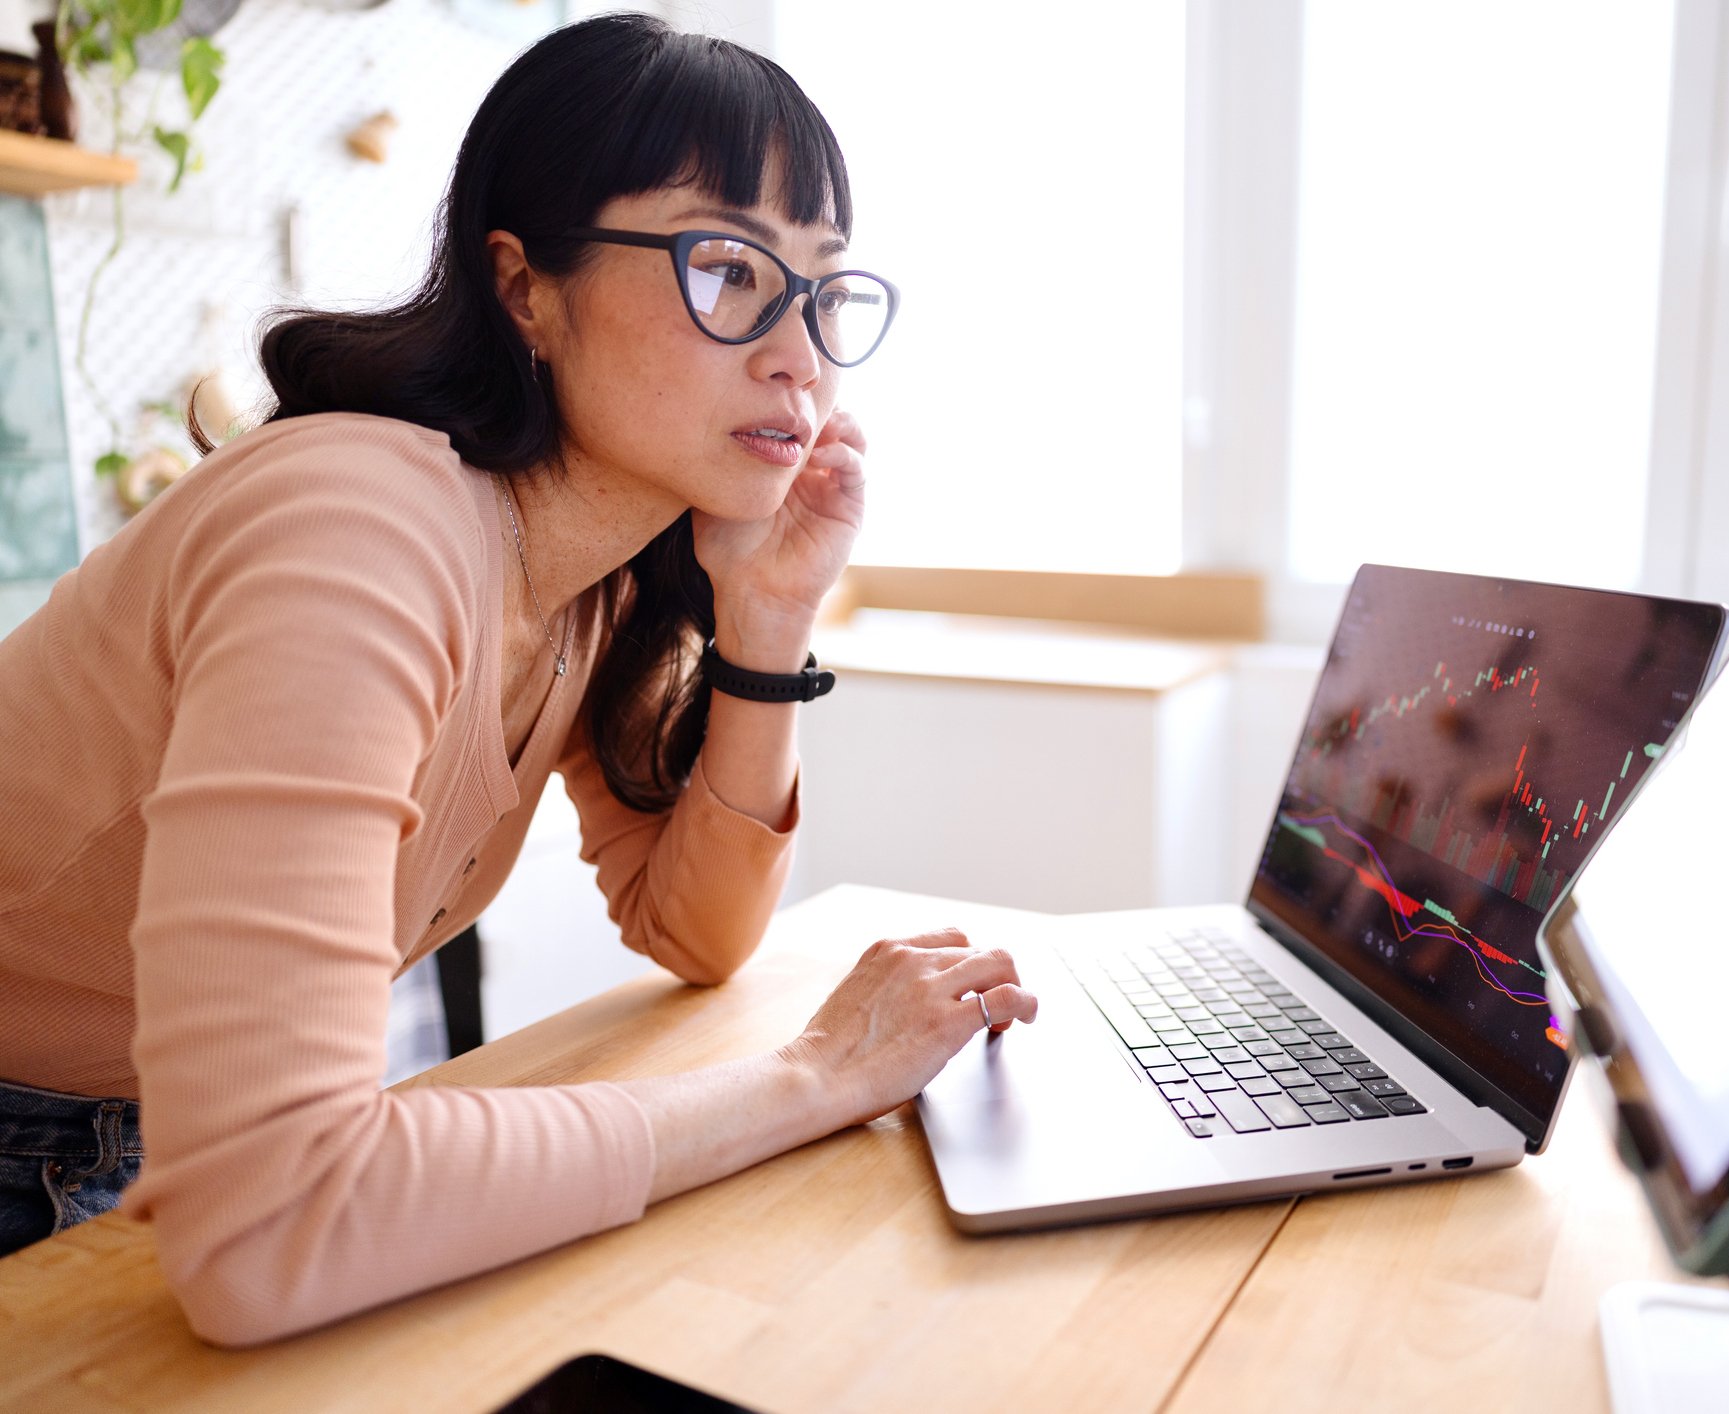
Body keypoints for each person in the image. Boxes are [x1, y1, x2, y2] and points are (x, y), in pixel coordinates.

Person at [0, 13, 1036, 1346]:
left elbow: (697, 932)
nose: (802, 354)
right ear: (522, 287)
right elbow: (268, 1228)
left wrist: (768, 615)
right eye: (726, 266)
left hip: (149, 1148)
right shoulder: (357, 525)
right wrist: (815, 1075)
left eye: (825, 289)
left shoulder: (598, 574)